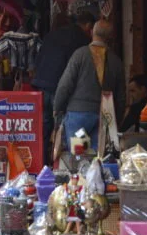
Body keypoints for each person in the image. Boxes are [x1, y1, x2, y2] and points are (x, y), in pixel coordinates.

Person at [32, 11, 95, 164]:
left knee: (43, 129)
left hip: (41, 86)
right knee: (62, 131)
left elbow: (37, 60)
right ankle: (62, 168)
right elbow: (72, 74)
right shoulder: (81, 40)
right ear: (88, 26)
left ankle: (41, 165)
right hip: (59, 88)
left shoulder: (52, 34)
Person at [53, 19, 126, 150]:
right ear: (110, 37)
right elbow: (121, 98)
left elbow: (65, 84)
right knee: (97, 159)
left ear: (92, 32)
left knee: (79, 155)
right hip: (103, 118)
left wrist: (57, 107)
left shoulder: (79, 55)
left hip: (79, 117)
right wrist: (115, 121)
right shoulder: (116, 62)